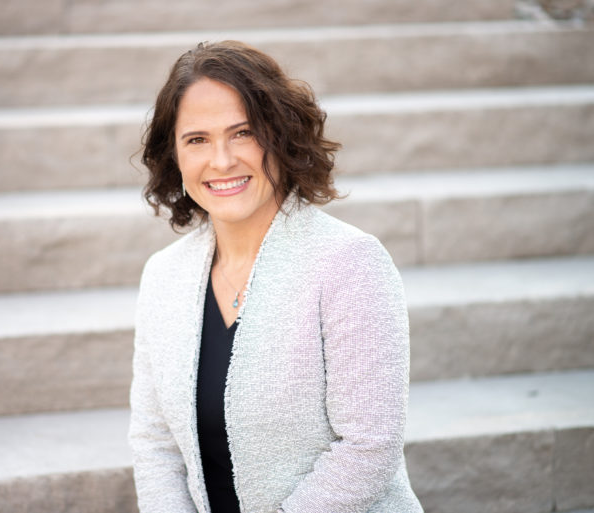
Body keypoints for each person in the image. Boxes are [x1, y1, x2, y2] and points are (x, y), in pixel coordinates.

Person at [128, 40, 423, 513]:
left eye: (242, 133)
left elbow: (369, 446)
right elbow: (155, 443)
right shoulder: (163, 276)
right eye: (197, 139)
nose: (221, 160)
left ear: (281, 137)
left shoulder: (349, 262)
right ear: (174, 156)